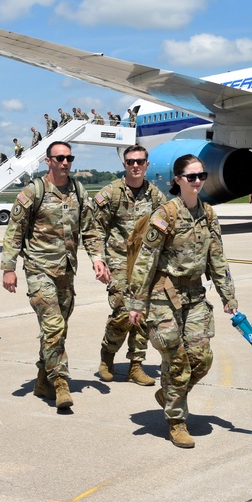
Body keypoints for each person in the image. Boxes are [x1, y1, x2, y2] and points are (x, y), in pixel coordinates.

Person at [128, 154, 238, 448]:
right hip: (163, 295)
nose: (198, 181)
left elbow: (217, 257)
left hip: (195, 296)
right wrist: (137, 302)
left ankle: (169, 395)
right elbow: (146, 260)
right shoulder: (165, 215)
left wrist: (228, 295)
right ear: (178, 180)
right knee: (176, 361)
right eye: (192, 177)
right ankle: (176, 421)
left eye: (202, 175)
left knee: (201, 359)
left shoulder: (209, 214)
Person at [2, 141, 92, 410]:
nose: (65, 163)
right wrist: (9, 268)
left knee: (57, 329)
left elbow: (90, 228)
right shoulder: (34, 191)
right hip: (39, 269)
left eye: (69, 158)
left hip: (66, 271)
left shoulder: (78, 190)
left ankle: (42, 378)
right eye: (60, 158)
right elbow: (15, 230)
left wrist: (98, 258)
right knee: (53, 327)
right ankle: (60, 382)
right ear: (48, 161)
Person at [83, 145, 167, 386]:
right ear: (124, 165)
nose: (135, 166)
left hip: (145, 263)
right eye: (131, 161)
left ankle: (136, 365)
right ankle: (107, 354)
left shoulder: (155, 196)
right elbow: (94, 229)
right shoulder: (111, 193)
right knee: (122, 311)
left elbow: (164, 229)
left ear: (147, 164)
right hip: (118, 261)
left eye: (140, 161)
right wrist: (98, 259)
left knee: (142, 312)